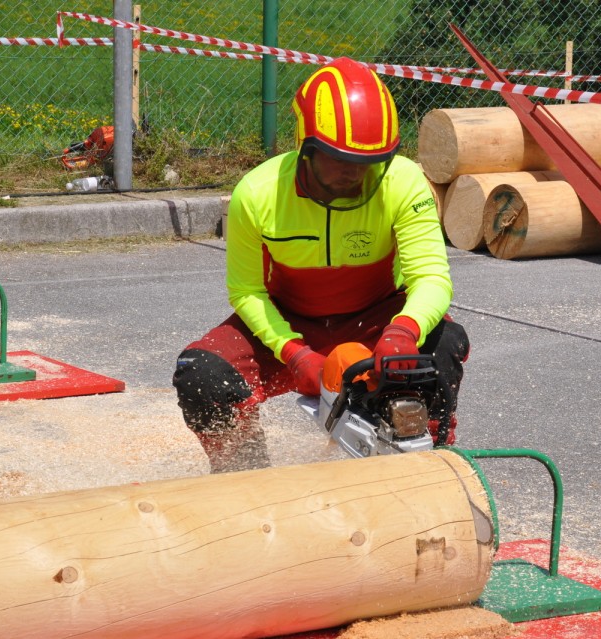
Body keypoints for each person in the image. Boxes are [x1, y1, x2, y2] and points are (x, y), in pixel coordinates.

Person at [172, 57, 469, 473]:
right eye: (338, 160)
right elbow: (247, 291)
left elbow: (431, 277)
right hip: (288, 324)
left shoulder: (404, 182)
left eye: (368, 165)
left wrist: (403, 331)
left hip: (377, 319)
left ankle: (431, 466)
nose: (353, 174)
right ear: (305, 147)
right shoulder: (256, 193)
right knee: (203, 373)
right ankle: (246, 477)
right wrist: (293, 354)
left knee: (442, 346)